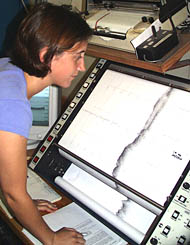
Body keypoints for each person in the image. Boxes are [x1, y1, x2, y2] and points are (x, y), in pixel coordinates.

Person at [0, 3, 92, 245]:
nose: (82, 66)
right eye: (77, 56)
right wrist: (51, 239)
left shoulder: (8, 69)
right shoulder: (13, 104)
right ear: (45, 55)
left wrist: (24, 200)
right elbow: (12, 195)